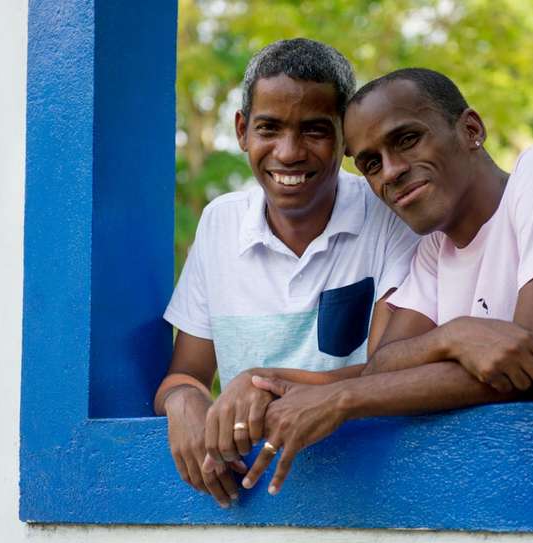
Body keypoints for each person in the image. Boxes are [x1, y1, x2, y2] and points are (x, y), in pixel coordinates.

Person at [234, 68, 533, 496]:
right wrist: (453, 338)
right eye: (370, 163)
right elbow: (383, 364)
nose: (389, 172)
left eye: (407, 140)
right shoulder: (433, 250)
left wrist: (343, 400)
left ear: (470, 129)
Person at [153, 41, 420, 508]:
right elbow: (185, 376)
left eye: (315, 130)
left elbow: (394, 370)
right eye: (269, 128)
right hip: (253, 506)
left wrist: (261, 385)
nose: (289, 152)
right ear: (242, 131)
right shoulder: (220, 224)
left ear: (346, 136)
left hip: (378, 493)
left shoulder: (388, 215)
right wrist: (183, 404)